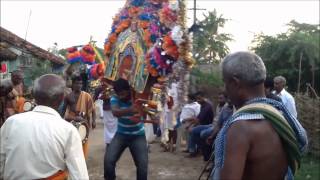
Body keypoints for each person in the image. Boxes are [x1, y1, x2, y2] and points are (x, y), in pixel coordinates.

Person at [212, 51, 307, 179]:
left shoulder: (241, 128)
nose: (224, 88)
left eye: (225, 82)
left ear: (235, 83)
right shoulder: (280, 116)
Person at [0, 74, 88, 179]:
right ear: (62, 98)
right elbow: (79, 176)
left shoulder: (11, 123)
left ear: (34, 95)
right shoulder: (68, 131)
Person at [105, 78, 148, 180]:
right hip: (121, 134)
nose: (121, 96)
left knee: (142, 165)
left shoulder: (138, 97)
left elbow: (146, 111)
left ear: (129, 90)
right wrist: (131, 110)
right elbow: (115, 112)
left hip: (138, 135)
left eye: (123, 93)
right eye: (119, 94)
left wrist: (142, 109)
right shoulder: (115, 98)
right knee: (108, 161)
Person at [63, 75, 96, 159]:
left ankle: (82, 161)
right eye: (77, 83)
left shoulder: (87, 95)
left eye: (80, 83)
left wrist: (93, 121)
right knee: (72, 144)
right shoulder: (68, 97)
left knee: (83, 142)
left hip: (84, 123)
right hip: (71, 123)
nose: (79, 85)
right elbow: (63, 112)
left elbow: (93, 109)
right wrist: (72, 118)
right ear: (73, 84)